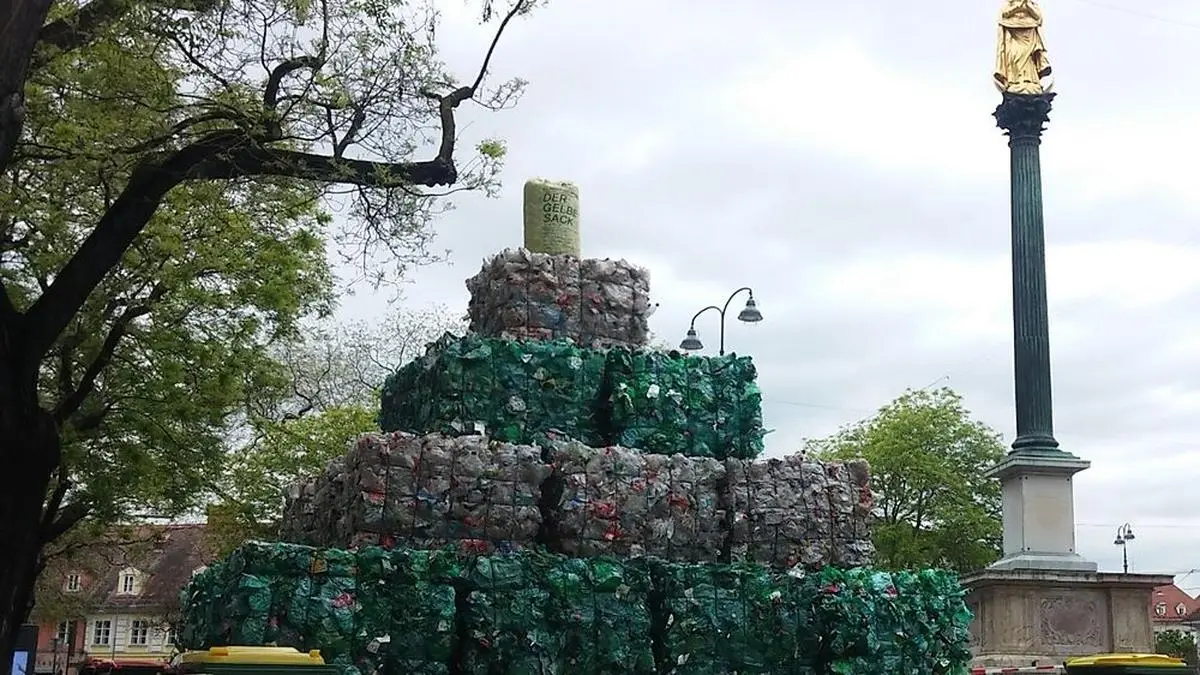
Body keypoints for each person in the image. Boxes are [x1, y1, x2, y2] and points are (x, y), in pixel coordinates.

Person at [993, 0, 1053, 94]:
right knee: (1015, 56)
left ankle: (1031, 81)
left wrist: (1028, 5)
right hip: (1013, 34)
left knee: (1029, 59)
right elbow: (1004, 15)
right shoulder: (1009, 5)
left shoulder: (1031, 4)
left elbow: (1038, 17)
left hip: (1029, 34)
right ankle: (1015, 81)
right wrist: (1018, 6)